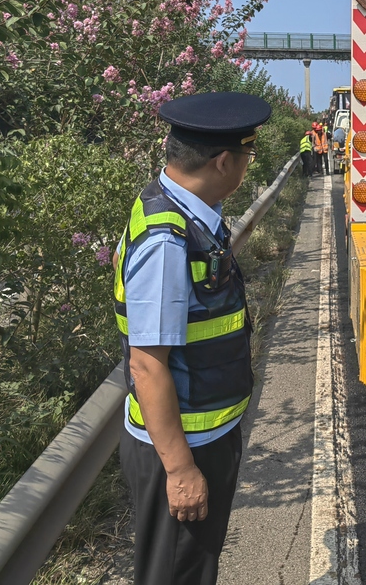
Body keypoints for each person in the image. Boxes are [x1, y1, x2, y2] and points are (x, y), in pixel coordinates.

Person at [115, 91, 271, 585]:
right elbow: (147, 364)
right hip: (183, 445)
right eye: (248, 155)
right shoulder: (167, 239)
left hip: (205, 431)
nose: (246, 167)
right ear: (224, 161)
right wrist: (181, 471)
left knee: (193, 570)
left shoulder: (189, 215)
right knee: (176, 576)